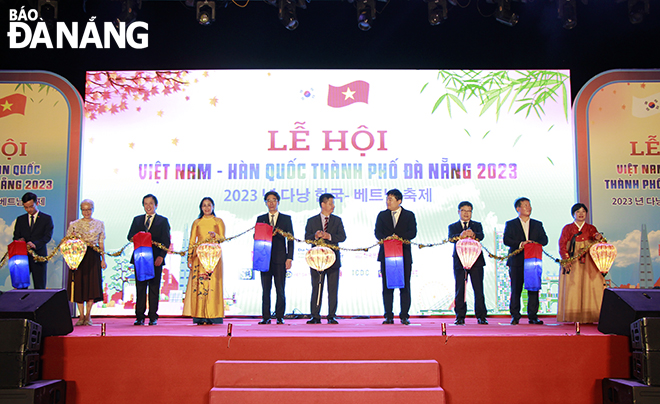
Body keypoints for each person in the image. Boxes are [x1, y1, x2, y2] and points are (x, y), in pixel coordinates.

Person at [375, 189, 417, 325]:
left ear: (399, 201)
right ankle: (388, 315)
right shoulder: (382, 215)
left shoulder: (409, 215)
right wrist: (388, 238)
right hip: (387, 255)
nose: (388, 202)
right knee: (387, 286)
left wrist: (399, 238)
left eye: (391, 199)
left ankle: (404, 315)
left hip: (403, 255)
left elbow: (413, 232)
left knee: (405, 286)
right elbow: (377, 232)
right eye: (387, 199)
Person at [127, 194, 171, 326]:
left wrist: (161, 256)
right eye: (146, 204)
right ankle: (139, 316)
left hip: (155, 260)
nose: (148, 206)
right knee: (140, 288)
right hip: (140, 260)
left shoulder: (162, 221)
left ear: (156, 205)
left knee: (153, 288)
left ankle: (153, 316)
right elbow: (129, 236)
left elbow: (166, 241)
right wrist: (140, 237)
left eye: (151, 203)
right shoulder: (137, 220)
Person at [503, 197, 548, 325]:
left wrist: (533, 243)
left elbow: (544, 240)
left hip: (532, 262)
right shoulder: (511, 224)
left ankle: (533, 316)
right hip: (516, 262)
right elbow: (507, 240)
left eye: (529, 205)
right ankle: (515, 316)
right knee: (516, 289)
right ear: (518, 209)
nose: (528, 208)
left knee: (533, 289)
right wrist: (521, 243)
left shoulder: (537, 224)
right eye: (525, 205)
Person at [557, 203, 604, 323]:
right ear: (573, 214)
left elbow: (599, 243)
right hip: (572, 260)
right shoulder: (567, 228)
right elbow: (562, 244)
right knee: (573, 285)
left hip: (588, 260)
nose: (581, 214)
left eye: (583, 211)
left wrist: (598, 238)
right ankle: (572, 315)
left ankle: (590, 315)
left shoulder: (591, 228)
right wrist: (566, 259)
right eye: (578, 211)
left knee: (590, 285)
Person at [304, 193, 346, 324]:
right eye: (331, 203)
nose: (333, 206)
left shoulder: (337, 220)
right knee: (316, 287)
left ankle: (331, 315)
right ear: (323, 204)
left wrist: (329, 236)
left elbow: (343, 237)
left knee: (333, 289)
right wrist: (315, 236)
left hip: (333, 260)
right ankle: (315, 316)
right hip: (316, 260)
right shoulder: (312, 220)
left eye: (333, 204)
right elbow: (307, 238)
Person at [183, 197, 225, 325]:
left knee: (213, 285)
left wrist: (215, 236)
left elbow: (222, 238)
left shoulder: (218, 221)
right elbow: (192, 241)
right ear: (201, 208)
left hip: (214, 257)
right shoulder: (197, 222)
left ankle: (213, 315)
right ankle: (200, 315)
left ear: (213, 206)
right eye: (204, 205)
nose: (206, 208)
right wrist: (190, 257)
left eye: (209, 205)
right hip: (199, 258)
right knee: (200, 285)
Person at [255, 191, 294, 325]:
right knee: (265, 289)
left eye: (274, 200)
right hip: (264, 259)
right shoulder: (261, 218)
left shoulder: (286, 219)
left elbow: (291, 240)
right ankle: (266, 317)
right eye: (268, 200)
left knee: (280, 289)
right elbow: (256, 237)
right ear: (265, 203)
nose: (271, 203)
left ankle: (279, 316)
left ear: (278, 202)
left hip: (280, 259)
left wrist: (289, 258)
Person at [67, 199, 106, 326]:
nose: (86, 212)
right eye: (84, 209)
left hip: (93, 256)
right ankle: (81, 315)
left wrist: (103, 259)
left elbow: (101, 243)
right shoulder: (74, 224)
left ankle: (88, 315)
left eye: (89, 209)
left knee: (91, 285)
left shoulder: (99, 224)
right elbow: (68, 242)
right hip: (78, 257)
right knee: (79, 285)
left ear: (93, 209)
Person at [448, 201, 487, 325]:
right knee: (460, 289)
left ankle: (481, 316)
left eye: (469, 211)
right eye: (463, 211)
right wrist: (461, 235)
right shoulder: (453, 226)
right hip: (460, 262)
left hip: (476, 262)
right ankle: (460, 316)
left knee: (478, 289)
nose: (466, 213)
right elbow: (450, 238)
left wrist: (473, 234)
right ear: (459, 212)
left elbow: (481, 236)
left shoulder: (477, 225)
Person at [13, 192, 54, 289]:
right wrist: (19, 240)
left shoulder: (46, 219)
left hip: (39, 257)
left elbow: (47, 236)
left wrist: (35, 244)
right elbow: (15, 236)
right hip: (23, 258)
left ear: (37, 203)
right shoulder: (20, 219)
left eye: (31, 206)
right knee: (21, 287)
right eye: (26, 207)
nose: (29, 209)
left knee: (39, 286)